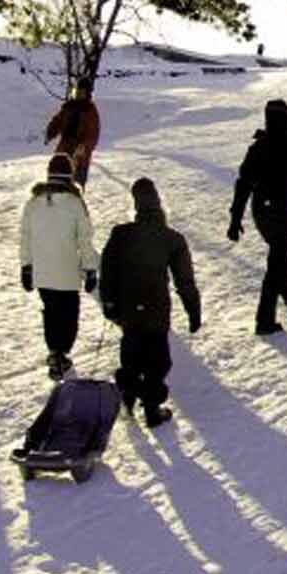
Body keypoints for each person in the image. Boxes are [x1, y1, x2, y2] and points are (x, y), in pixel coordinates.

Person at [99, 177, 201, 428]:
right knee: (157, 357)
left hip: (128, 306)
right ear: (159, 205)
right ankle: (152, 409)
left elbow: (108, 270)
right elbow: (184, 279)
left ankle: (128, 394)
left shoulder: (121, 234)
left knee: (131, 349)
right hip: (156, 306)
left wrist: (109, 303)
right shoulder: (172, 238)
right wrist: (193, 309)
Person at [228, 98, 287, 334]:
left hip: (262, 212)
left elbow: (243, 184)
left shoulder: (259, 147)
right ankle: (264, 319)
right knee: (276, 260)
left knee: (278, 257)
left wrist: (236, 217)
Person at [18, 152, 98, 380]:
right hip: (67, 271)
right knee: (68, 314)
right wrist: (90, 269)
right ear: (69, 175)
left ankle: (55, 352)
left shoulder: (33, 204)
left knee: (51, 312)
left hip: (42, 272)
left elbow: (26, 237)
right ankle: (61, 353)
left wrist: (26, 267)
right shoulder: (75, 204)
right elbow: (84, 239)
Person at [44, 77, 101, 187]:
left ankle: (74, 197)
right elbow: (58, 120)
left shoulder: (90, 111)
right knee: (58, 170)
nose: (78, 95)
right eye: (76, 92)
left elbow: (93, 134)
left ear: (87, 94)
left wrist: (84, 146)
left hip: (79, 152)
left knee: (75, 179)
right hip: (64, 146)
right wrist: (51, 131)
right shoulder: (68, 107)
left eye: (81, 93)